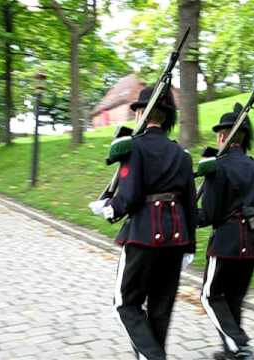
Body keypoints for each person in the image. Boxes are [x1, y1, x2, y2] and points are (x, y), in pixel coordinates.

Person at [89, 87, 196, 360]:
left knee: (125, 304)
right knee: (160, 308)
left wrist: (109, 211)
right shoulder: (182, 155)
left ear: (140, 113)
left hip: (143, 235)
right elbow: (189, 206)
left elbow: (129, 195)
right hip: (176, 239)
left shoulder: (133, 147)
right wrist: (190, 248)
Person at [197, 103, 254, 360]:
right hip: (253, 240)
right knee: (233, 299)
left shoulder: (218, 166)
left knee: (210, 295)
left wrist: (186, 217)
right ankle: (232, 353)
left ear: (223, 136)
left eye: (219, 133)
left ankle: (239, 345)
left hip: (226, 242)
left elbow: (209, 214)